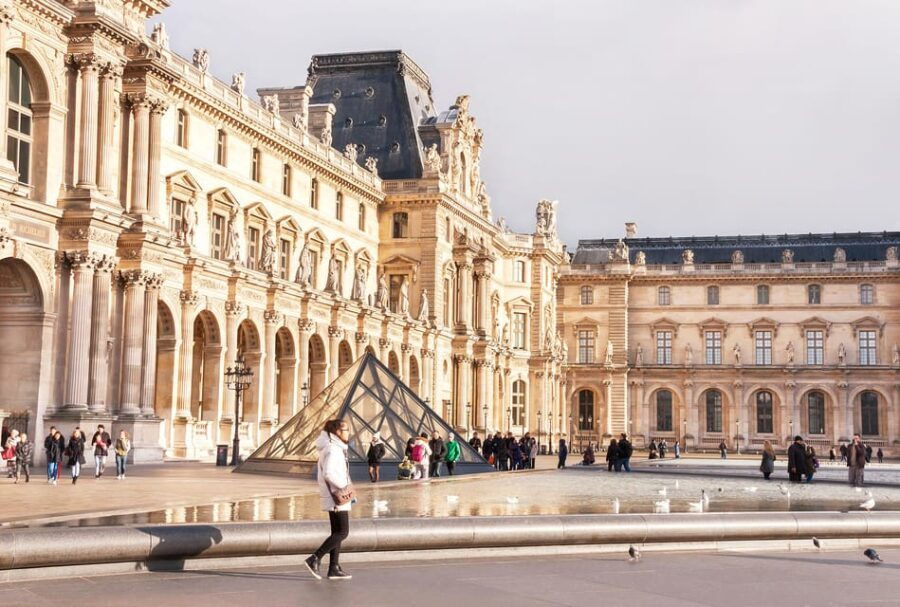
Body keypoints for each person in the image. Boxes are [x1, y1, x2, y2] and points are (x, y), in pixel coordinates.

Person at [305, 419, 354, 581]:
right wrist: (345, 487)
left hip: (333, 495)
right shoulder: (333, 449)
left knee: (336, 532)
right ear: (337, 432)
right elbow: (329, 473)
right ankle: (315, 558)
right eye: (346, 430)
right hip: (336, 496)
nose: (349, 433)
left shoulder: (332, 447)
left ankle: (334, 568)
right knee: (343, 532)